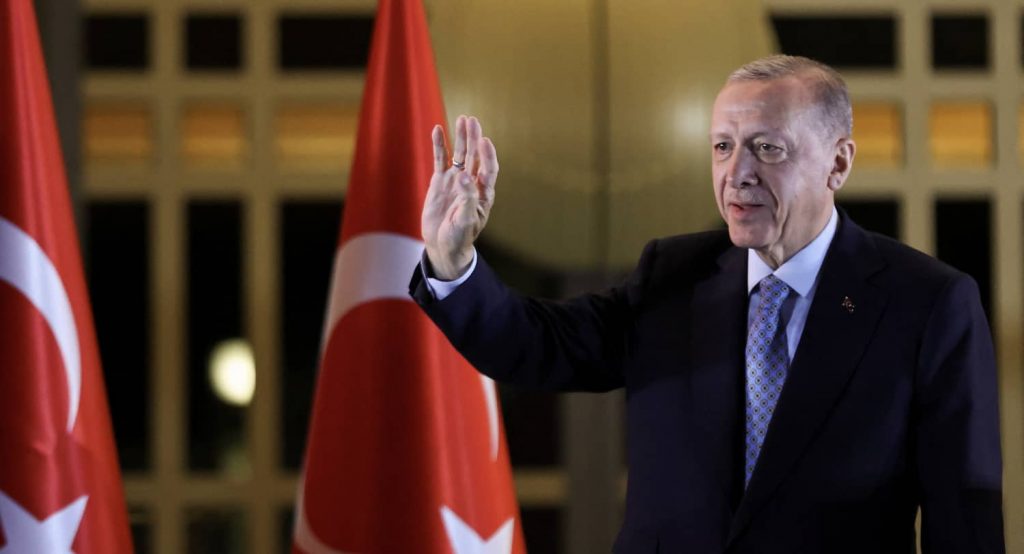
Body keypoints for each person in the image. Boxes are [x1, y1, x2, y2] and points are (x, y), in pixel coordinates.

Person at [409, 55, 1004, 553]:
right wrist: (452, 262)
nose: (737, 173)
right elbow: (533, 345)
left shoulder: (926, 302)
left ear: (839, 162)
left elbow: (965, 516)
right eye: (723, 146)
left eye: (767, 148)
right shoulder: (672, 277)